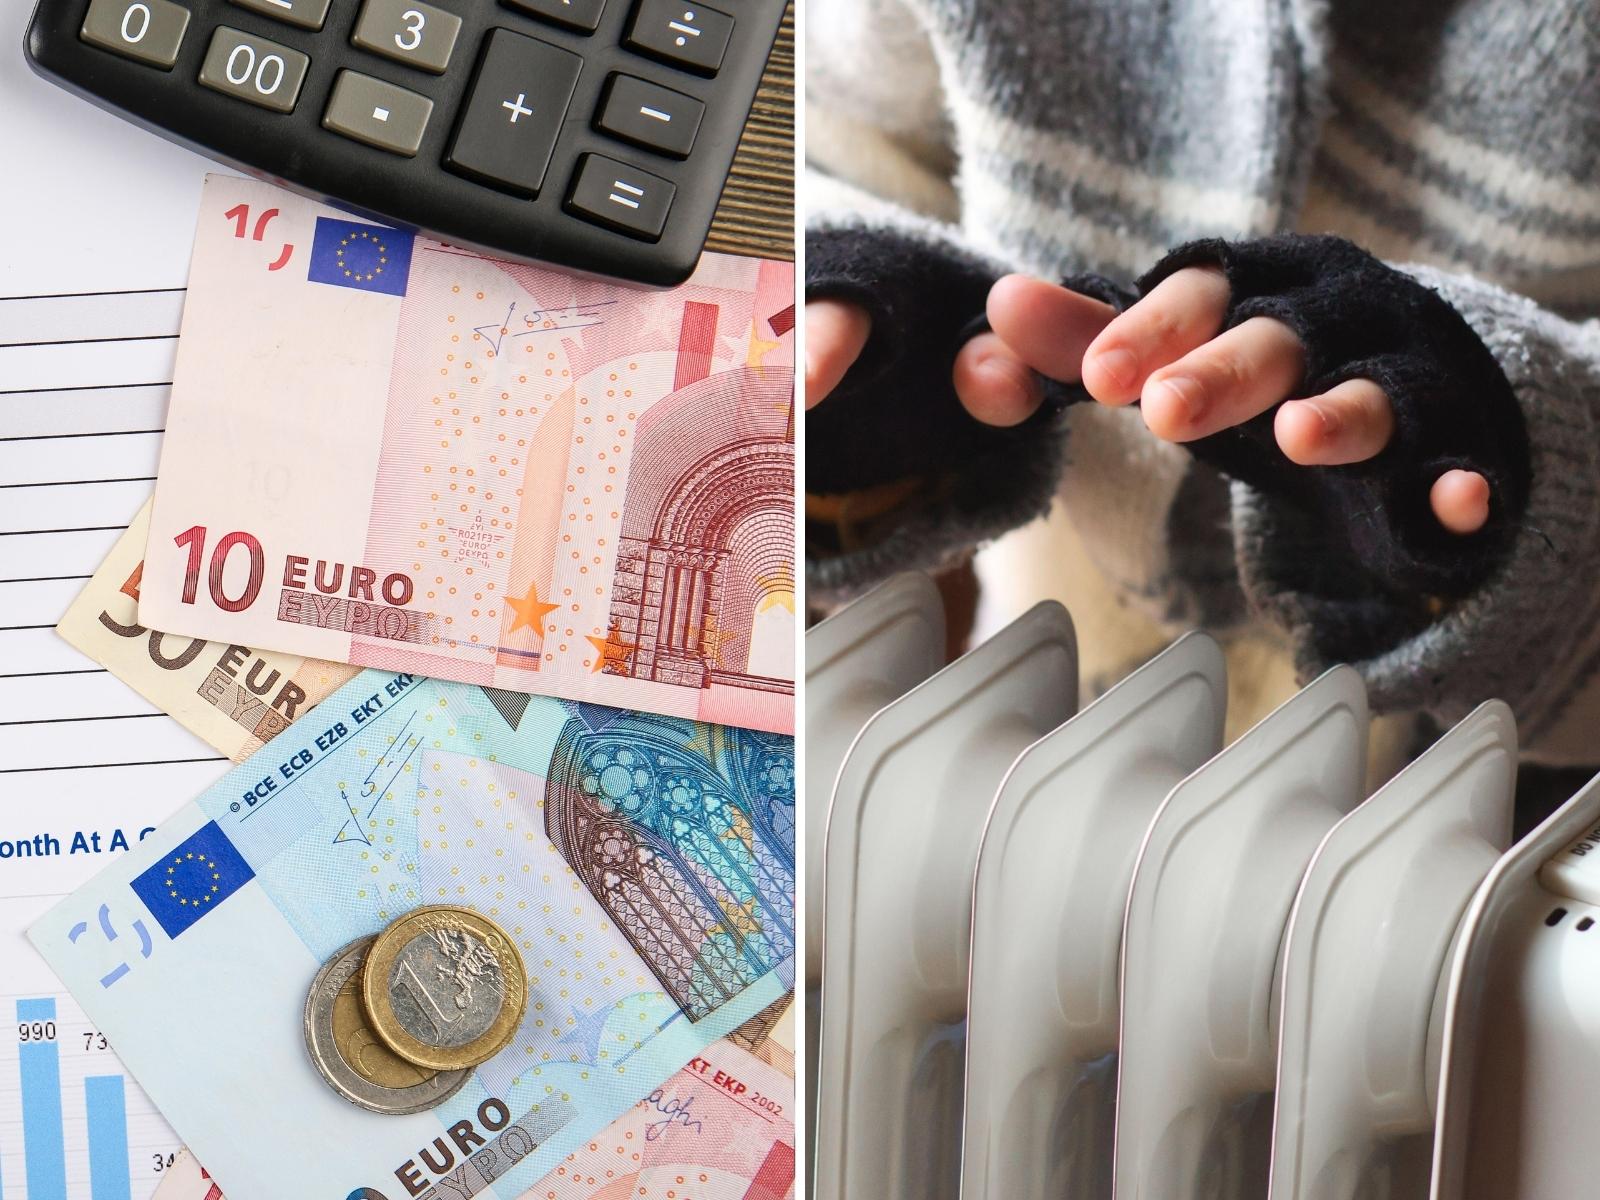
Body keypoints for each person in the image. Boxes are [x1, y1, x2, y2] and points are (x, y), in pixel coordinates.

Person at [803, 0, 1600, 801]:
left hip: (1488, 800)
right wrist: (855, 305)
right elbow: (833, 136)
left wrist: (1532, 464)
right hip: (1049, 683)